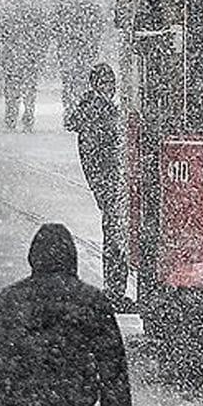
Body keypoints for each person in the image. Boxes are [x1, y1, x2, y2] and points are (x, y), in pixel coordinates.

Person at [0, 223, 132, 406]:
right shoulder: (91, 301)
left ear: (33, 257)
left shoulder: (12, 299)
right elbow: (112, 364)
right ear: (72, 258)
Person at [67, 63, 131, 311]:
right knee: (116, 235)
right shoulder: (97, 112)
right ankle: (115, 291)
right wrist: (104, 185)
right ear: (95, 85)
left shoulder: (97, 110)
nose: (110, 88)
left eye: (112, 83)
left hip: (110, 182)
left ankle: (115, 290)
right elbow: (93, 156)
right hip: (110, 183)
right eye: (105, 83)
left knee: (115, 234)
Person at [0, 0, 48, 132]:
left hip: (13, 59)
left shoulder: (7, 12)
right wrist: (40, 54)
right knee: (29, 92)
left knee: (12, 92)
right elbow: (43, 36)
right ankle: (28, 117)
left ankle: (11, 118)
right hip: (30, 59)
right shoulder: (34, 12)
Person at [51, 0, 103, 126]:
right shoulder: (88, 9)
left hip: (71, 55)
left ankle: (72, 114)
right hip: (81, 55)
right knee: (80, 85)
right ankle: (81, 114)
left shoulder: (62, 12)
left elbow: (54, 31)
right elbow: (98, 28)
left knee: (71, 86)